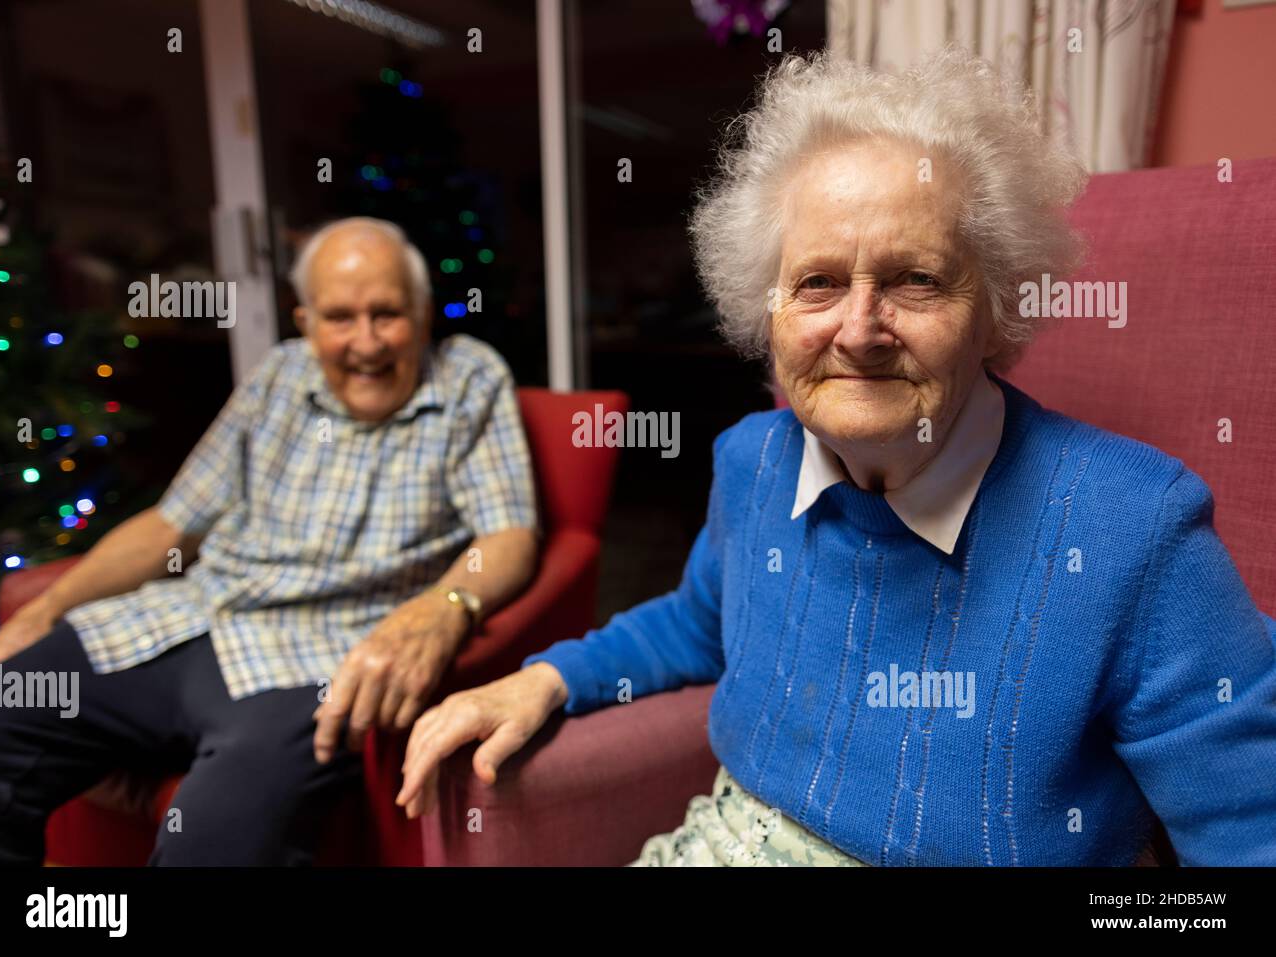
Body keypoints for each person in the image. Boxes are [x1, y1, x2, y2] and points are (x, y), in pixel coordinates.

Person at [396, 50, 1276, 866]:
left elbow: (1250, 833)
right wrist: (549, 676)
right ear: (764, 308)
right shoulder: (751, 462)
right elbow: (703, 620)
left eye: (916, 280)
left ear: (996, 309)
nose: (859, 330)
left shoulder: (1133, 528)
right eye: (817, 283)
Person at [0, 217, 539, 865]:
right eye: (339, 317)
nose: (365, 342)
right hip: (180, 620)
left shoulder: (469, 378)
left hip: (312, 663)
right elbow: (171, 523)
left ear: (422, 314)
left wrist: (443, 607)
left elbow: (509, 533)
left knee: (215, 846)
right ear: (304, 321)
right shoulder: (277, 376)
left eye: (387, 314)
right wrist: (45, 610)